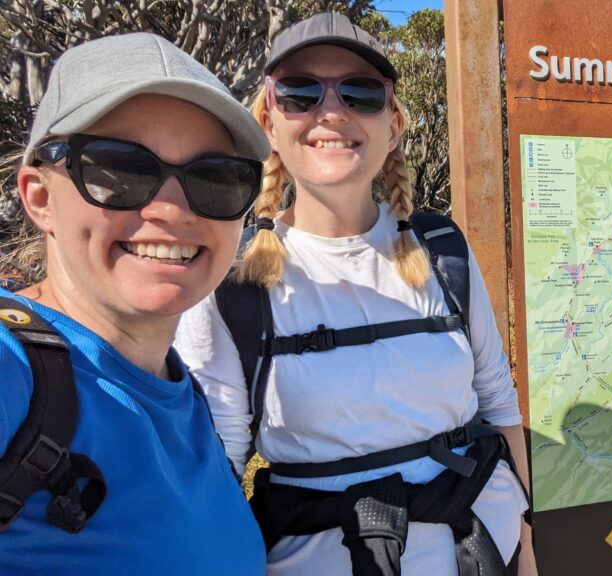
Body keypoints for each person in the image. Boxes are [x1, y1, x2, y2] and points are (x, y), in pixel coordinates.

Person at [174, 12, 537, 575]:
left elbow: (497, 398)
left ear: (392, 125)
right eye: (300, 93)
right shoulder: (232, 278)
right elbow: (219, 464)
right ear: (269, 122)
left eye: (361, 93)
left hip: (487, 550)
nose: (332, 112)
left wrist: (528, 543)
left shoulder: (442, 248)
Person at [0, 32, 269, 574]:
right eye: (118, 169)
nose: (171, 209)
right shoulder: (13, 371)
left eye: (215, 178)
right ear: (39, 197)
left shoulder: (183, 396)